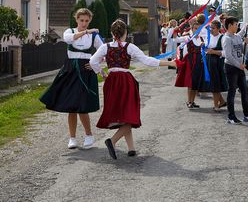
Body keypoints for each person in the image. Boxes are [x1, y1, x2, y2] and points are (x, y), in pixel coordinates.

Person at [89, 19, 176, 159]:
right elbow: (147, 60)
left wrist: (102, 72)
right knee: (129, 115)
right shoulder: (129, 47)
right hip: (125, 81)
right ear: (126, 33)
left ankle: (131, 148)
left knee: (124, 115)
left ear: (112, 33)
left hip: (111, 82)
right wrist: (169, 62)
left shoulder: (105, 47)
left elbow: (92, 61)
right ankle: (112, 141)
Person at [40, 8, 103, 149]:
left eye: (87, 21)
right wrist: (86, 32)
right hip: (70, 70)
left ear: (90, 20)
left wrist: (95, 64)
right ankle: (72, 138)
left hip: (85, 71)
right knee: (71, 106)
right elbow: (68, 39)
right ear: (77, 19)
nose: (84, 23)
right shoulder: (70, 32)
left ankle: (89, 135)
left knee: (83, 106)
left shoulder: (94, 37)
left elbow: (104, 51)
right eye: (82, 20)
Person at [222, 16, 248, 124]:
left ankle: (247, 114)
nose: (237, 27)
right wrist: (238, 65)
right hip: (231, 67)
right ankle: (231, 116)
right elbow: (228, 55)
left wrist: (246, 44)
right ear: (230, 25)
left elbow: (242, 51)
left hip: (239, 67)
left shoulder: (237, 37)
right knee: (232, 91)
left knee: (245, 90)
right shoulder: (226, 38)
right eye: (235, 25)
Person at [174, 22, 204, 108]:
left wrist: (204, 46)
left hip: (199, 62)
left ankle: (192, 101)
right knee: (190, 82)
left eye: (198, 29)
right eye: (195, 28)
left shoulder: (202, 39)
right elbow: (176, 40)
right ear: (192, 29)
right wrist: (175, 31)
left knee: (195, 82)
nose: (197, 30)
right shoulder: (188, 38)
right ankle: (189, 101)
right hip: (190, 62)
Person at [202, 20, 228, 111]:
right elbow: (206, 49)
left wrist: (214, 52)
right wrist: (203, 47)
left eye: (213, 28)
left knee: (216, 84)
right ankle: (222, 102)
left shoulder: (223, 38)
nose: (211, 30)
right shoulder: (208, 37)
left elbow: (226, 53)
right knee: (213, 84)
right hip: (209, 62)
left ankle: (216, 106)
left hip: (217, 64)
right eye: (210, 28)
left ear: (218, 29)